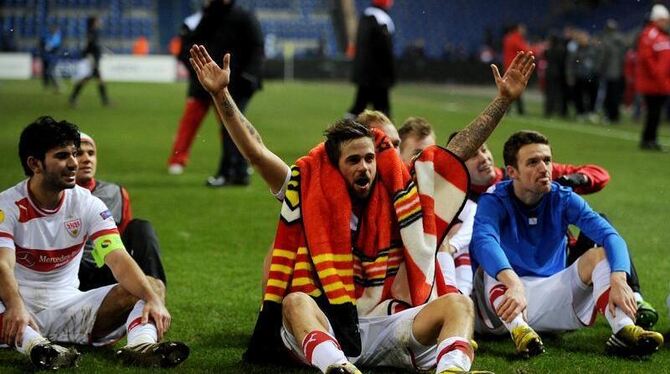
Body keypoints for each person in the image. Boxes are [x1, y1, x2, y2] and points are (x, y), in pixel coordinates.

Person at [184, 46, 534, 372]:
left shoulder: (402, 190)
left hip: (387, 321)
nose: (368, 165)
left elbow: (455, 151)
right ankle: (336, 366)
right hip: (330, 322)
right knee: (294, 302)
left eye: (373, 156)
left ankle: (452, 370)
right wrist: (220, 94)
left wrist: (502, 101)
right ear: (336, 164)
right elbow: (257, 153)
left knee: (460, 305)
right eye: (356, 159)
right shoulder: (310, 186)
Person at [0, 117, 189, 370]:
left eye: (74, 154)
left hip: (70, 310)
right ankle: (38, 347)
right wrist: (15, 306)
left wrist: (152, 298)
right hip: (15, 308)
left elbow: (117, 257)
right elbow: (3, 264)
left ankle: (141, 346)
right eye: (62, 156)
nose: (73, 163)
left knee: (150, 286)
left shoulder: (87, 203)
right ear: (35, 164)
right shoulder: (7, 206)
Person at [470, 130, 663, 358]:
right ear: (512, 172)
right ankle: (519, 331)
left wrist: (620, 278)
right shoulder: (494, 199)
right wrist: (513, 282)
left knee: (600, 255)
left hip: (551, 296)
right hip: (502, 307)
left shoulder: (562, 197)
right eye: (533, 162)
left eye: (547, 160)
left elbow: (610, 235)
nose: (544, 168)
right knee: (490, 268)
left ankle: (622, 329)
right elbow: (484, 243)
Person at [166, 0, 264, 188]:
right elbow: (192, 43)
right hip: (217, 83)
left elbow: (257, 47)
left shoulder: (243, 16)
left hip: (239, 84)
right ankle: (239, 172)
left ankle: (228, 173)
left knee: (231, 127)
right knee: (231, 126)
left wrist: (248, 76)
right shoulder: (210, 15)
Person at [75, 133, 167, 294]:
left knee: (141, 226)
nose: (87, 159)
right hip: (72, 273)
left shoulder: (115, 193)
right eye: (78, 154)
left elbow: (121, 241)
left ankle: (157, 291)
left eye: (91, 153)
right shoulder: (56, 196)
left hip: (109, 267)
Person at [345, 0, 395, 119]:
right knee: (382, 112)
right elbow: (385, 51)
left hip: (364, 74)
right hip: (378, 77)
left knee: (358, 107)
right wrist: (390, 76)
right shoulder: (382, 20)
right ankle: (385, 136)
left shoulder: (365, 17)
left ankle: (344, 131)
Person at [635, 4, 670, 151]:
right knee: (653, 112)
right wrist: (659, 77)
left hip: (660, 81)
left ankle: (651, 139)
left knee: (655, 113)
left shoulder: (660, 35)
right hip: (654, 83)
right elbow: (647, 59)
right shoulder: (650, 35)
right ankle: (648, 140)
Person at [69, 16, 109, 107]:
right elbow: (89, 46)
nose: (100, 22)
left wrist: (104, 50)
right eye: (98, 20)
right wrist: (90, 57)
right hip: (92, 60)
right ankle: (105, 101)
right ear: (94, 22)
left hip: (94, 59)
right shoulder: (91, 32)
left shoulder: (94, 32)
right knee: (93, 80)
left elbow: (94, 46)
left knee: (90, 80)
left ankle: (73, 99)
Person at [502, 24, 530, 115]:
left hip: (509, 66)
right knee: (515, 89)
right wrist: (538, 48)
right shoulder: (515, 39)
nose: (524, 30)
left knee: (511, 89)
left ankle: (510, 110)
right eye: (522, 28)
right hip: (514, 68)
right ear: (517, 30)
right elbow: (525, 50)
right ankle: (516, 110)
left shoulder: (508, 38)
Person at [39, 25, 62, 93]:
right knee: (46, 71)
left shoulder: (57, 38)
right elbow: (42, 44)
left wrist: (51, 49)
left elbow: (57, 48)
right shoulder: (47, 36)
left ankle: (57, 86)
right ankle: (47, 85)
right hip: (46, 57)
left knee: (50, 71)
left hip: (53, 58)